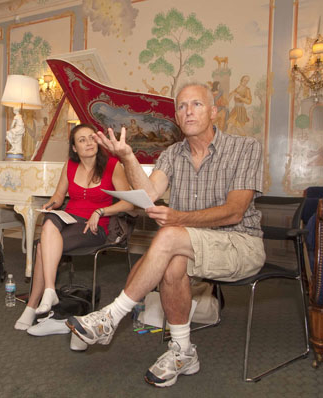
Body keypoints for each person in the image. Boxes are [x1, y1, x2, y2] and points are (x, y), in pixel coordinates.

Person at [66, 83, 266, 387]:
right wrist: (128, 157)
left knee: (171, 235)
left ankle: (110, 316)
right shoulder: (173, 154)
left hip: (240, 243)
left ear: (214, 112)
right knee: (173, 260)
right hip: (190, 244)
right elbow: (148, 194)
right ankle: (183, 351)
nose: (188, 111)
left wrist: (178, 218)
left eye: (197, 104)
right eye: (182, 106)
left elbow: (235, 211)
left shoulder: (245, 147)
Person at [14, 123, 134, 332]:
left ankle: (33, 305)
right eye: (82, 140)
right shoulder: (70, 165)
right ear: (74, 148)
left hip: (95, 227)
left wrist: (101, 211)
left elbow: (129, 203)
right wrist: (50, 204)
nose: (89, 143)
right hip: (69, 217)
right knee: (50, 218)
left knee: (43, 246)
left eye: (91, 138)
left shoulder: (113, 165)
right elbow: (59, 196)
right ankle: (49, 290)